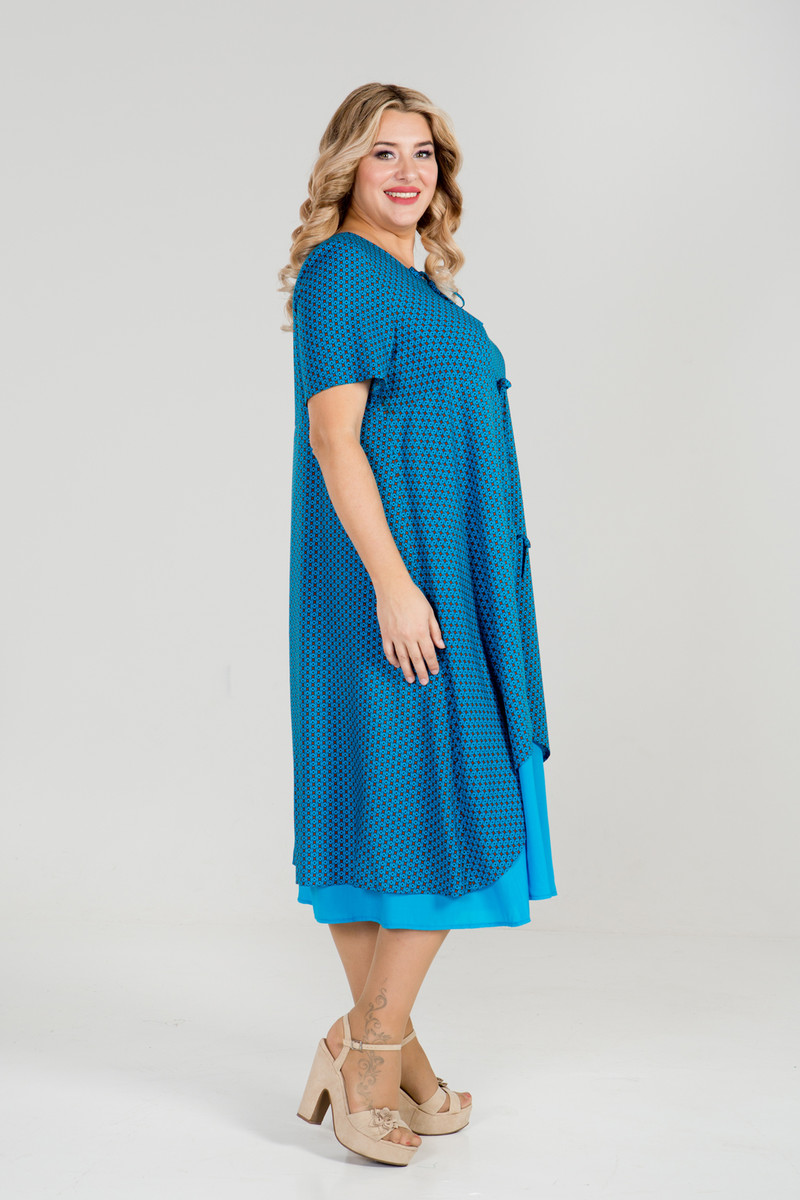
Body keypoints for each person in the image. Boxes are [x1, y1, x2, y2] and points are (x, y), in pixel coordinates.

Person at [278, 82, 557, 1166]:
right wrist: (396, 586)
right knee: (444, 806)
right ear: (345, 166)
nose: (407, 171)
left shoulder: (415, 281)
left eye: (424, 153)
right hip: (393, 586)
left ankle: (391, 1063)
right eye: (383, 152)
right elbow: (334, 438)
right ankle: (370, 1057)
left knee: (388, 817)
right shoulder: (342, 272)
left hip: (440, 580)